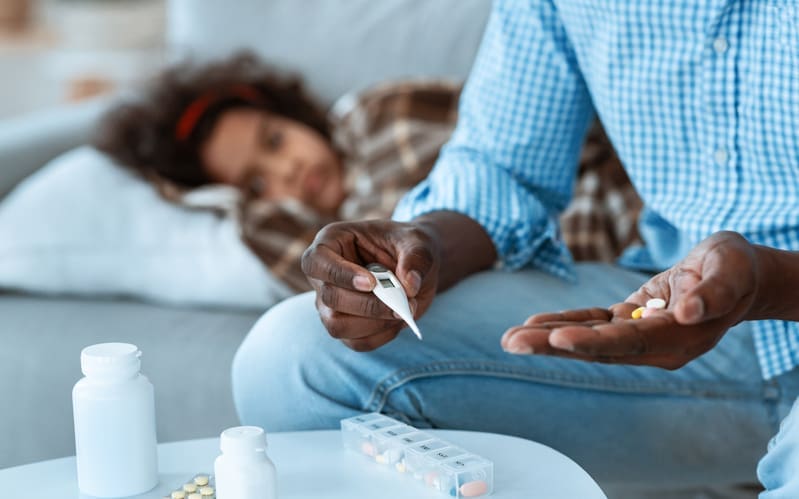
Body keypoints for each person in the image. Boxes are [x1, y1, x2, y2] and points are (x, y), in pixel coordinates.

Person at [231, 1, 799, 496]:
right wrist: (422, 243)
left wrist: (771, 281)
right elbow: (504, 165)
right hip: (695, 323)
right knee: (290, 362)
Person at [93, 51, 637, 292]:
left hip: (613, 196)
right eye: (256, 183)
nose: (288, 170)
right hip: (574, 275)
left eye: (276, 140)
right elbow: (277, 243)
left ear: (289, 111)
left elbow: (517, 132)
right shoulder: (320, 241)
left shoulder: (377, 114)